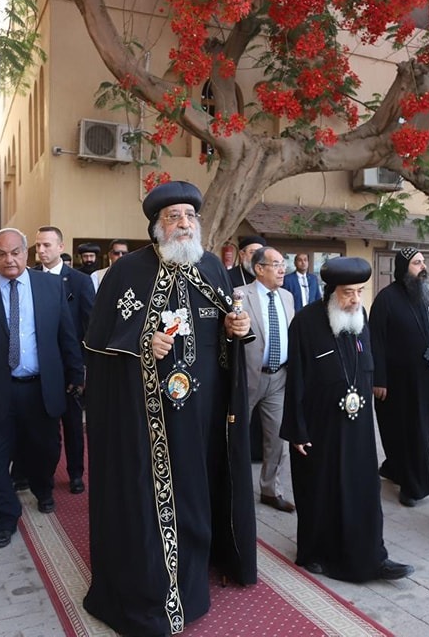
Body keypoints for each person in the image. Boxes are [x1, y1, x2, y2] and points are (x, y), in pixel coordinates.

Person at [82, 181, 256, 635]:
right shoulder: (127, 273)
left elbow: (227, 326)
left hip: (204, 413)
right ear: (156, 226)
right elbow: (99, 345)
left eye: (190, 216)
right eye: (174, 216)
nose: (184, 224)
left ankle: (199, 571)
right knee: (159, 499)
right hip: (148, 418)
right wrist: (142, 343)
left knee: (201, 490)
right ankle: (159, 587)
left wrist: (236, 328)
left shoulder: (212, 267)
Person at [280, 256, 413, 582]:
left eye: (360, 291)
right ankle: (315, 553)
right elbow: (295, 380)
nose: (355, 299)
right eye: (348, 292)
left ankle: (372, 556)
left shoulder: (360, 317)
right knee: (321, 491)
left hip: (357, 425)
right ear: (331, 292)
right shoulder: (305, 322)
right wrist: (297, 430)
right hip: (320, 426)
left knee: (363, 489)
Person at [0, 228, 85, 549]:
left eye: (15, 252)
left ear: (26, 253)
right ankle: (3, 518)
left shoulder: (50, 286)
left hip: (40, 388)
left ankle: (43, 489)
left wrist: (77, 373)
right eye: (1, 254)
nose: (9, 259)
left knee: (44, 449)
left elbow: (66, 335)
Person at [369, 247, 429, 507]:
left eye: (423, 262)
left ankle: (399, 471)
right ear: (403, 269)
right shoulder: (386, 299)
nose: (423, 267)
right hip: (397, 382)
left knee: (420, 432)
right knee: (402, 432)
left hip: (426, 379)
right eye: (416, 263)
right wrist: (379, 379)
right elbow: (375, 341)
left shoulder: (427, 296)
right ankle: (412, 486)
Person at [34, 225, 95, 493]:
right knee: (41, 427)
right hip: (40, 368)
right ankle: (37, 475)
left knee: (72, 425)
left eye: (47, 245)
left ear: (60, 247)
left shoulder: (79, 282)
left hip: (71, 367)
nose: (41, 250)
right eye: (38, 245)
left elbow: (90, 325)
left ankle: (75, 474)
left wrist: (83, 367)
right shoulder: (30, 278)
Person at [241, 246, 295, 513]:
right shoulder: (240, 295)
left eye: (283, 264)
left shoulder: (287, 296)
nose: (282, 269)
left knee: (277, 438)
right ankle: (235, 489)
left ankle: (271, 490)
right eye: (276, 264)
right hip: (248, 378)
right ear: (259, 268)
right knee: (237, 436)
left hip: (279, 378)